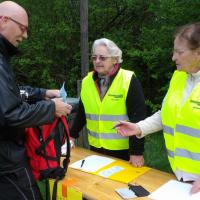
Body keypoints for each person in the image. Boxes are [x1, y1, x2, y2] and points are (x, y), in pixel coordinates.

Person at [116, 22, 200, 194]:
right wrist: (139, 127)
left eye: (179, 52)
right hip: (180, 177)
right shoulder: (179, 77)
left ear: (198, 53)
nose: (173, 57)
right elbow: (167, 114)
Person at [0, 1, 72, 200]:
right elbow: (10, 115)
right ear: (4, 20)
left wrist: (41, 93)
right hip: (8, 166)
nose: (25, 35)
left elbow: (10, 93)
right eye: (23, 28)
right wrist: (51, 109)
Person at [70, 38, 146, 167]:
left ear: (115, 59)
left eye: (102, 58)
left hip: (123, 151)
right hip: (95, 147)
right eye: (94, 58)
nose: (97, 61)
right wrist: (71, 136)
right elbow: (82, 113)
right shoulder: (87, 81)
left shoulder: (128, 80)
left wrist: (136, 152)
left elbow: (138, 118)